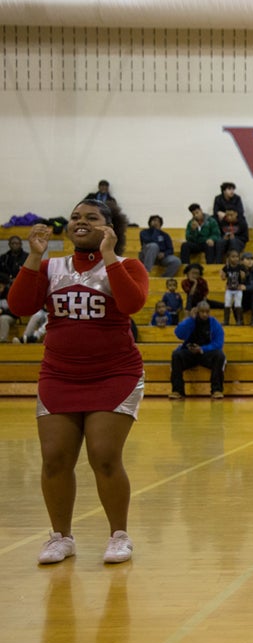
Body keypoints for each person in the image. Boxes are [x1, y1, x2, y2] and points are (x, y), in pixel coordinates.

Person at [7, 201, 149, 565]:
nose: (80, 222)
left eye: (92, 218)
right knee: (54, 459)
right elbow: (20, 305)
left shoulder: (128, 266)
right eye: (75, 217)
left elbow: (132, 303)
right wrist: (34, 257)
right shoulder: (52, 267)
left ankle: (119, 535)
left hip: (114, 374)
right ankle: (61, 537)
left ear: (109, 227)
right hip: (60, 374)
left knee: (103, 457)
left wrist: (108, 255)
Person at [170, 301, 226, 400]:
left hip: (205, 353)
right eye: (202, 312)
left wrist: (202, 349)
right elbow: (179, 334)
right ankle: (178, 391)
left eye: (207, 312)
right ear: (197, 311)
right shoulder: (191, 321)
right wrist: (190, 319)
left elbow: (218, 344)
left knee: (220, 355)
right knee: (176, 355)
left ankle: (216, 390)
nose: (205, 314)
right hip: (190, 354)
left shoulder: (215, 323)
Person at [220, 250, 245, 326]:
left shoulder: (241, 267)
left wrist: (243, 277)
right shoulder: (226, 267)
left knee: (238, 304)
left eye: (237, 256)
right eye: (233, 257)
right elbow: (223, 277)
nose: (235, 258)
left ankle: (239, 320)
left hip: (238, 289)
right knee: (227, 304)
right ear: (228, 258)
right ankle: (226, 321)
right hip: (229, 289)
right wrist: (222, 276)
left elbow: (244, 279)